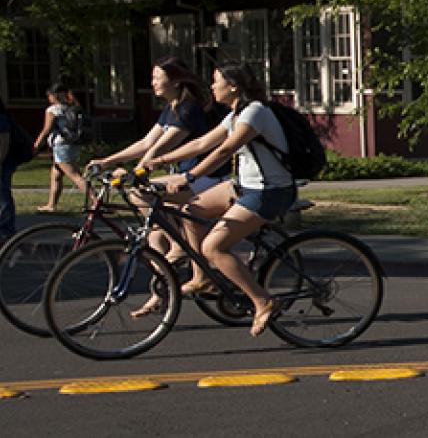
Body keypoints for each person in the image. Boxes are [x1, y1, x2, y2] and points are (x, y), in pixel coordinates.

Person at [137, 63, 292, 335]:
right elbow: (200, 144)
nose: (211, 87)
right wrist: (155, 161)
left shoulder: (254, 112)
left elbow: (225, 150)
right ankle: (202, 279)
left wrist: (189, 177)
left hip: (269, 192)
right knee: (191, 210)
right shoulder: (234, 115)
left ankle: (263, 301)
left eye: (216, 81)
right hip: (243, 186)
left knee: (213, 247)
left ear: (233, 86)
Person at [92, 57, 223, 294]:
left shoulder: (188, 108)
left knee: (139, 193)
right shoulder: (171, 107)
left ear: (174, 81)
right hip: (186, 177)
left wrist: (136, 172)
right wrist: (107, 161)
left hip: (206, 178)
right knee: (153, 236)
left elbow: (160, 148)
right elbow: (146, 142)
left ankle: (179, 245)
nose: (152, 83)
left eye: (156, 78)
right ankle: (163, 291)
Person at [32, 84, 89, 213]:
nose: (48, 98)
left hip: (61, 145)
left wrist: (36, 145)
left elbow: (46, 130)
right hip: (73, 144)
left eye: (49, 96)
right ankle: (51, 205)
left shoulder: (53, 110)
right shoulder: (72, 107)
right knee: (56, 176)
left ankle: (96, 201)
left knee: (75, 176)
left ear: (54, 96)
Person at [1, 97, 23, 240]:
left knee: (3, 196)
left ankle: (6, 230)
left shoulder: (2, 119)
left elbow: (4, 142)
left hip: (3, 163)